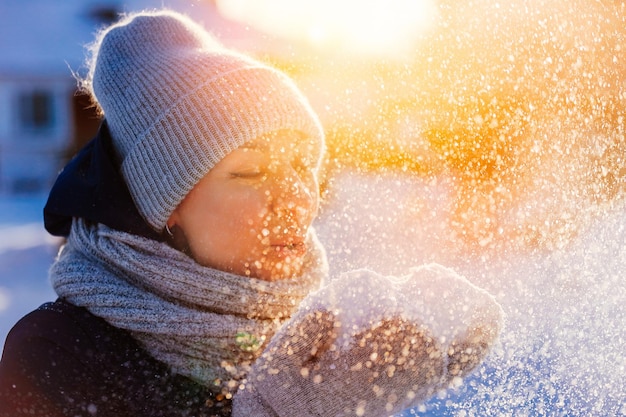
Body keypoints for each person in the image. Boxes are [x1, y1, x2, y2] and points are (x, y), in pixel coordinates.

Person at [0, 9, 503, 417]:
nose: (298, 198)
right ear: (165, 204)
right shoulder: (55, 355)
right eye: (249, 173)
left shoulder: (314, 344)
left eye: (303, 167)